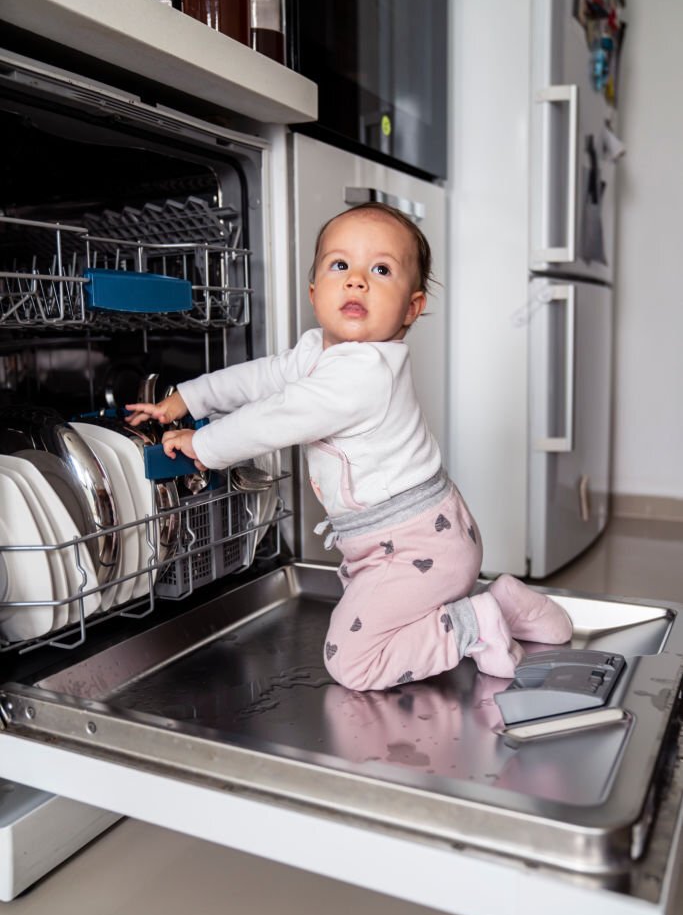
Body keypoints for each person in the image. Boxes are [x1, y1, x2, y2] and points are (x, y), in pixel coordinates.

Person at [126, 202, 572, 691]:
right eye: (341, 265)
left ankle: (475, 626)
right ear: (315, 292)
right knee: (381, 622)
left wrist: (202, 444)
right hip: (425, 538)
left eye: (380, 270)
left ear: (411, 307)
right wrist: (188, 397)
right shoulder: (318, 351)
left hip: (411, 548)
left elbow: (277, 416)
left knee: (352, 662)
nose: (357, 280)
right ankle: (507, 603)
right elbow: (263, 377)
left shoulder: (365, 374)